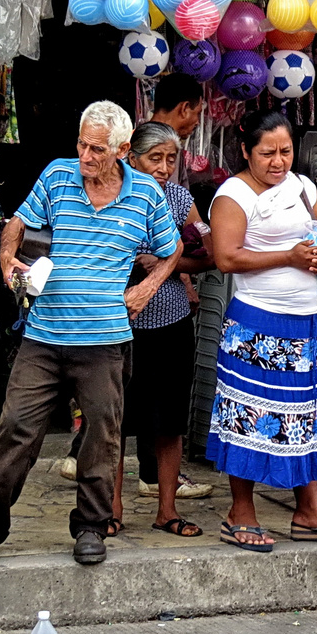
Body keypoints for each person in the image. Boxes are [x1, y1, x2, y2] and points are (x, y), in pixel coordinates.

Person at [0, 102, 180, 568]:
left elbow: (172, 248)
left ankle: (90, 527)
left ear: (122, 149)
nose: (85, 155)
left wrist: (146, 288)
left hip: (104, 344)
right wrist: (6, 260)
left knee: (102, 439)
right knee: (14, 432)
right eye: (81, 144)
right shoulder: (58, 177)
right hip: (43, 339)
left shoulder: (145, 195)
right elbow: (17, 224)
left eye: (96, 149)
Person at [207, 109, 317, 551]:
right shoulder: (233, 194)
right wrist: (288, 257)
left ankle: (309, 511)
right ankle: (240, 513)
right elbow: (227, 258)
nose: (278, 161)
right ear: (245, 151)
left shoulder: (302, 186)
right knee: (250, 416)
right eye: (267, 153)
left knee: (305, 416)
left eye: (286, 151)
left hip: (306, 323)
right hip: (256, 324)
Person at [104, 121, 215, 539]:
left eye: (171, 159)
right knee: (114, 420)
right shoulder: (111, 197)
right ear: (131, 157)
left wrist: (166, 265)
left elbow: (208, 256)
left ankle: (166, 510)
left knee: (169, 421)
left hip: (171, 323)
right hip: (119, 324)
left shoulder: (180, 199)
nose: (164, 167)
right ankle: (109, 508)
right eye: (155, 158)